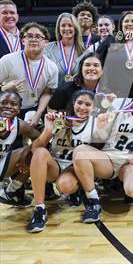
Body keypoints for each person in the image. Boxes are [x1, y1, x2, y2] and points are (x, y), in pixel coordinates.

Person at [72, 79, 133, 222]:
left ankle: (124, 184)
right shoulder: (120, 103)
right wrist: (100, 127)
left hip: (129, 164)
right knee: (80, 152)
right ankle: (93, 201)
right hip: (108, 158)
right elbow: (102, 136)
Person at [26, 90, 96, 232]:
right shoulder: (60, 119)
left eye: (88, 104)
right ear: (73, 103)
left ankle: (79, 188)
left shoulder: (95, 124)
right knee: (39, 153)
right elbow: (34, 148)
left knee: (65, 186)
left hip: (75, 168)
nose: (82, 107)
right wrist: (48, 129)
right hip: (55, 165)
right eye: (79, 103)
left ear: (94, 108)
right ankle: (39, 209)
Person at [0, 22, 59, 126]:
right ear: (23, 40)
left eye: (38, 36)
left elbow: (47, 93)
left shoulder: (52, 67)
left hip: (32, 110)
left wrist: (38, 114)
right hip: (6, 108)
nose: (33, 39)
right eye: (29, 36)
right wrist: (5, 88)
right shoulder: (7, 60)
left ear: (45, 42)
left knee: (32, 140)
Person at [97, 10, 133, 98]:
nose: (130, 23)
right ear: (121, 25)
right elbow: (95, 62)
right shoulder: (110, 41)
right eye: (126, 21)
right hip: (113, 97)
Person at [0, 90, 40, 208]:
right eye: (3, 102)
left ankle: (12, 190)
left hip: (3, 163)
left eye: (13, 104)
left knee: (37, 153)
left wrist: (27, 151)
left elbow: (40, 139)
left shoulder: (20, 124)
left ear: (19, 108)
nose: (8, 106)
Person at [43, 13, 85, 85]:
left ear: (75, 28)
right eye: (63, 25)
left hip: (77, 94)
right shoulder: (47, 48)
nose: (66, 28)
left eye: (70, 25)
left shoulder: (84, 50)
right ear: (59, 29)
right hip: (54, 93)